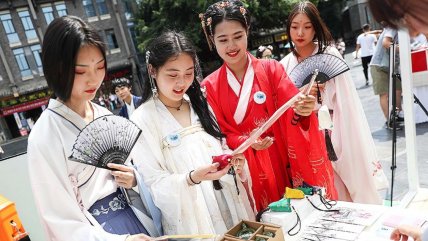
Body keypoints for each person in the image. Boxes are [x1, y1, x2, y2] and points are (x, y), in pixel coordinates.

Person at [27, 16, 161, 241]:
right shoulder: (44, 136)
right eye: (81, 72)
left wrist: (134, 178)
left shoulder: (104, 115)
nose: (94, 79)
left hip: (136, 219)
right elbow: (60, 220)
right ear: (58, 69)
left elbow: (139, 172)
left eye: (100, 67)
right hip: (95, 231)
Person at [200, 0, 337, 211]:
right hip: (244, 169)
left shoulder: (271, 69)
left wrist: (304, 110)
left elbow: (293, 109)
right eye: (223, 39)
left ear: (247, 32)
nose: (232, 46)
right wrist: (246, 141)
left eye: (238, 36)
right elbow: (218, 133)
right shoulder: (209, 86)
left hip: (280, 158)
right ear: (212, 40)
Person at [130, 30, 254, 235]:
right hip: (191, 220)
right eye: (173, 75)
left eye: (188, 74)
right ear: (152, 71)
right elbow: (153, 183)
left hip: (227, 204)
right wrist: (191, 178)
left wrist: (234, 163)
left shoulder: (199, 104)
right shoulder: (142, 119)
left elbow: (219, 147)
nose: (182, 83)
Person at [280, 1, 385, 204]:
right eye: (294, 26)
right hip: (304, 135)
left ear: (316, 28)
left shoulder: (330, 55)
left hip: (336, 128)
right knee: (323, 194)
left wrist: (339, 136)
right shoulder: (284, 65)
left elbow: (347, 102)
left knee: (349, 186)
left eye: (307, 26)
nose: (300, 32)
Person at [369, 28, 404, 130]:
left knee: (398, 90)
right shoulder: (392, 26)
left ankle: (398, 115)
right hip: (379, 65)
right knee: (384, 94)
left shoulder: (404, 29)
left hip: (393, 65)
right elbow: (386, 43)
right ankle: (389, 121)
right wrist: (403, 48)